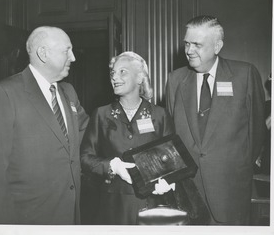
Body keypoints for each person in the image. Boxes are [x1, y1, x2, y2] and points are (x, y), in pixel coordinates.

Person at [80, 51, 209, 225]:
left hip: (154, 204)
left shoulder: (160, 115)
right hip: (113, 205)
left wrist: (170, 182)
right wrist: (113, 166)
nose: (115, 78)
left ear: (140, 78)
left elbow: (174, 160)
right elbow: (85, 157)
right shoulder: (101, 114)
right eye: (113, 73)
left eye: (122, 72)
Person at [166, 15, 266, 225]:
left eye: (197, 45)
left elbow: (257, 134)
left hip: (230, 192)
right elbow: (171, 136)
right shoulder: (175, 80)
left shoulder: (245, 75)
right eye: (186, 43)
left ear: (217, 46)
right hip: (189, 194)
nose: (189, 50)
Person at [0, 26, 89, 224]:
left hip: (69, 216)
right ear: (43, 53)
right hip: (29, 220)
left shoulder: (69, 92)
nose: (73, 57)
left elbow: (90, 137)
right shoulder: (4, 94)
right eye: (67, 50)